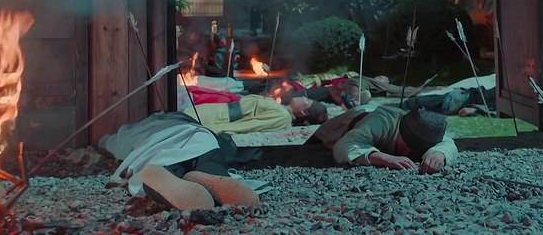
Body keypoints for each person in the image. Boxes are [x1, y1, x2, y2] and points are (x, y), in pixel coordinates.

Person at [99, 111, 267, 210]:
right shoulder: (183, 119)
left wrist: (103, 142)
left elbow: (106, 143)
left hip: (159, 143)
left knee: (163, 165)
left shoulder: (130, 131)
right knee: (209, 158)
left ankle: (162, 177)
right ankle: (215, 174)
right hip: (198, 135)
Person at [311, 105, 458, 174]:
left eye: (419, 149)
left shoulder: (427, 128)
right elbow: (344, 145)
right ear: (401, 131)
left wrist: (439, 154)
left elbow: (448, 143)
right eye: (409, 145)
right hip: (335, 130)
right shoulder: (381, 122)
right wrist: (383, 158)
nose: (411, 153)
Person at [182, 94, 328, 134]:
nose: (302, 97)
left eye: (306, 100)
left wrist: (211, 130)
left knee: (181, 120)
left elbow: (249, 125)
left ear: (304, 112)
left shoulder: (283, 116)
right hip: (218, 110)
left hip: (219, 118)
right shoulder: (281, 110)